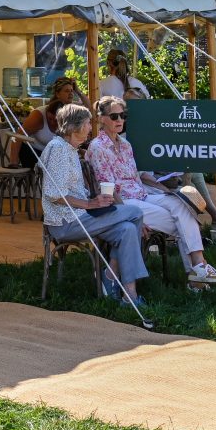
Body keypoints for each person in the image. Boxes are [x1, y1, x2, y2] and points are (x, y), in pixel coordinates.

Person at [86, 96, 216, 286]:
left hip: (141, 194)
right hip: (123, 202)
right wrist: (129, 215)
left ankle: (198, 269)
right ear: (101, 118)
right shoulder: (97, 147)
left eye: (123, 116)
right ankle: (197, 273)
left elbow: (137, 177)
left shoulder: (126, 145)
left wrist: (162, 188)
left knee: (181, 204)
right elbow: (107, 188)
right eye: (114, 116)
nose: (120, 120)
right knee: (183, 222)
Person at [41, 101, 150, 310]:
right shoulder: (59, 150)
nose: (91, 127)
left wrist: (94, 203)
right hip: (66, 222)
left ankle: (127, 292)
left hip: (80, 216)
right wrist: (91, 203)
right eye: (88, 123)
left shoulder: (69, 149)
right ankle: (112, 277)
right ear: (76, 127)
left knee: (127, 229)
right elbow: (54, 194)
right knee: (134, 212)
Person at [13, 75, 79, 164]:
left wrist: (78, 91)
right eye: (67, 91)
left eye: (72, 91)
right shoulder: (38, 116)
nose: (71, 94)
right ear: (57, 93)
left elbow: (90, 111)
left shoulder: (69, 113)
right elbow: (17, 136)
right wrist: (13, 162)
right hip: (32, 152)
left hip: (50, 155)